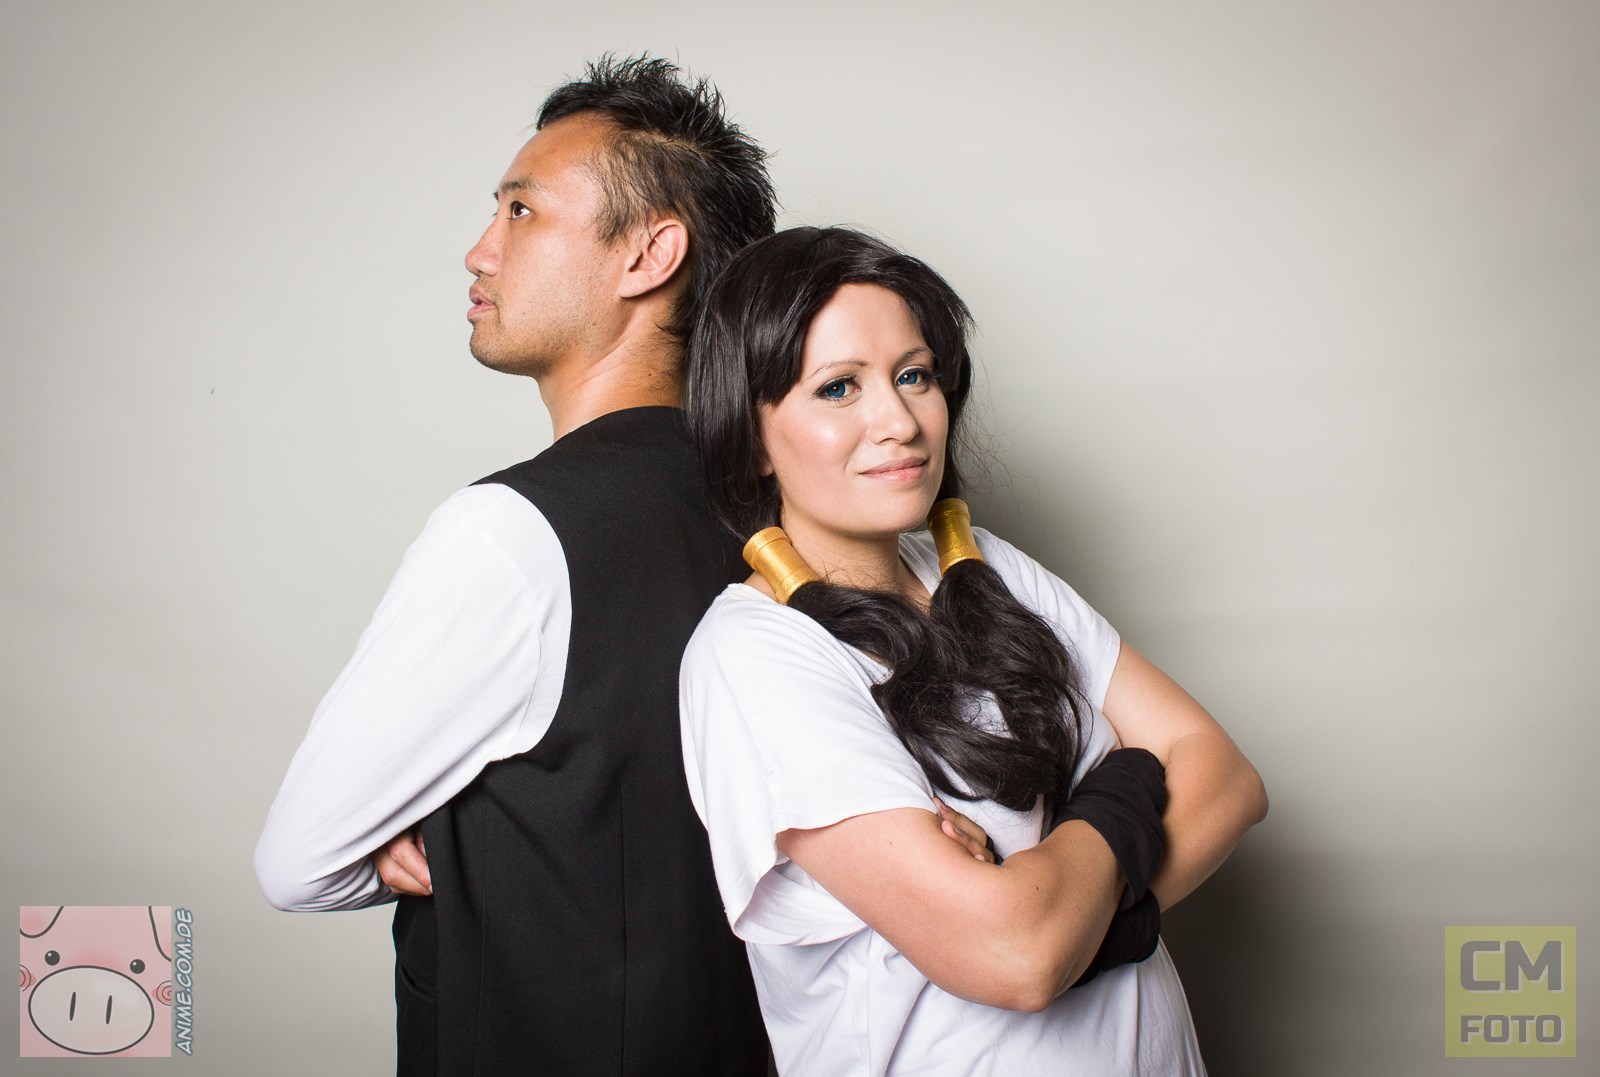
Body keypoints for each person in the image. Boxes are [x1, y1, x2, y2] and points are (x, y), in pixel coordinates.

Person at [254, 56, 778, 1074]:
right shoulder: (789, 504)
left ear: (648, 254)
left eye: (521, 211)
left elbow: (297, 863)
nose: (480, 250)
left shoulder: (508, 535)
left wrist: (427, 834)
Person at [678, 227, 1269, 1074]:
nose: (899, 421)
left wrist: (1069, 919)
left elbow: (1228, 778)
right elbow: (1015, 954)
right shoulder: (753, 652)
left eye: (914, 375)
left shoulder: (983, 564)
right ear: (751, 436)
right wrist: (1128, 783)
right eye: (839, 387)